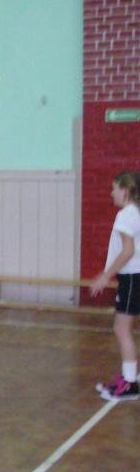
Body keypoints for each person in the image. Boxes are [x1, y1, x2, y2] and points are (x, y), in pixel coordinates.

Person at [90, 171, 140, 401]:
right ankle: (128, 377)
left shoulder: (126, 215)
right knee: (122, 328)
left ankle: (130, 383)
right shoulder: (134, 212)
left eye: (114, 188)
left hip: (131, 278)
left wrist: (105, 276)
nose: (111, 193)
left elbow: (128, 251)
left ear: (126, 191)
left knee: (121, 329)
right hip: (132, 277)